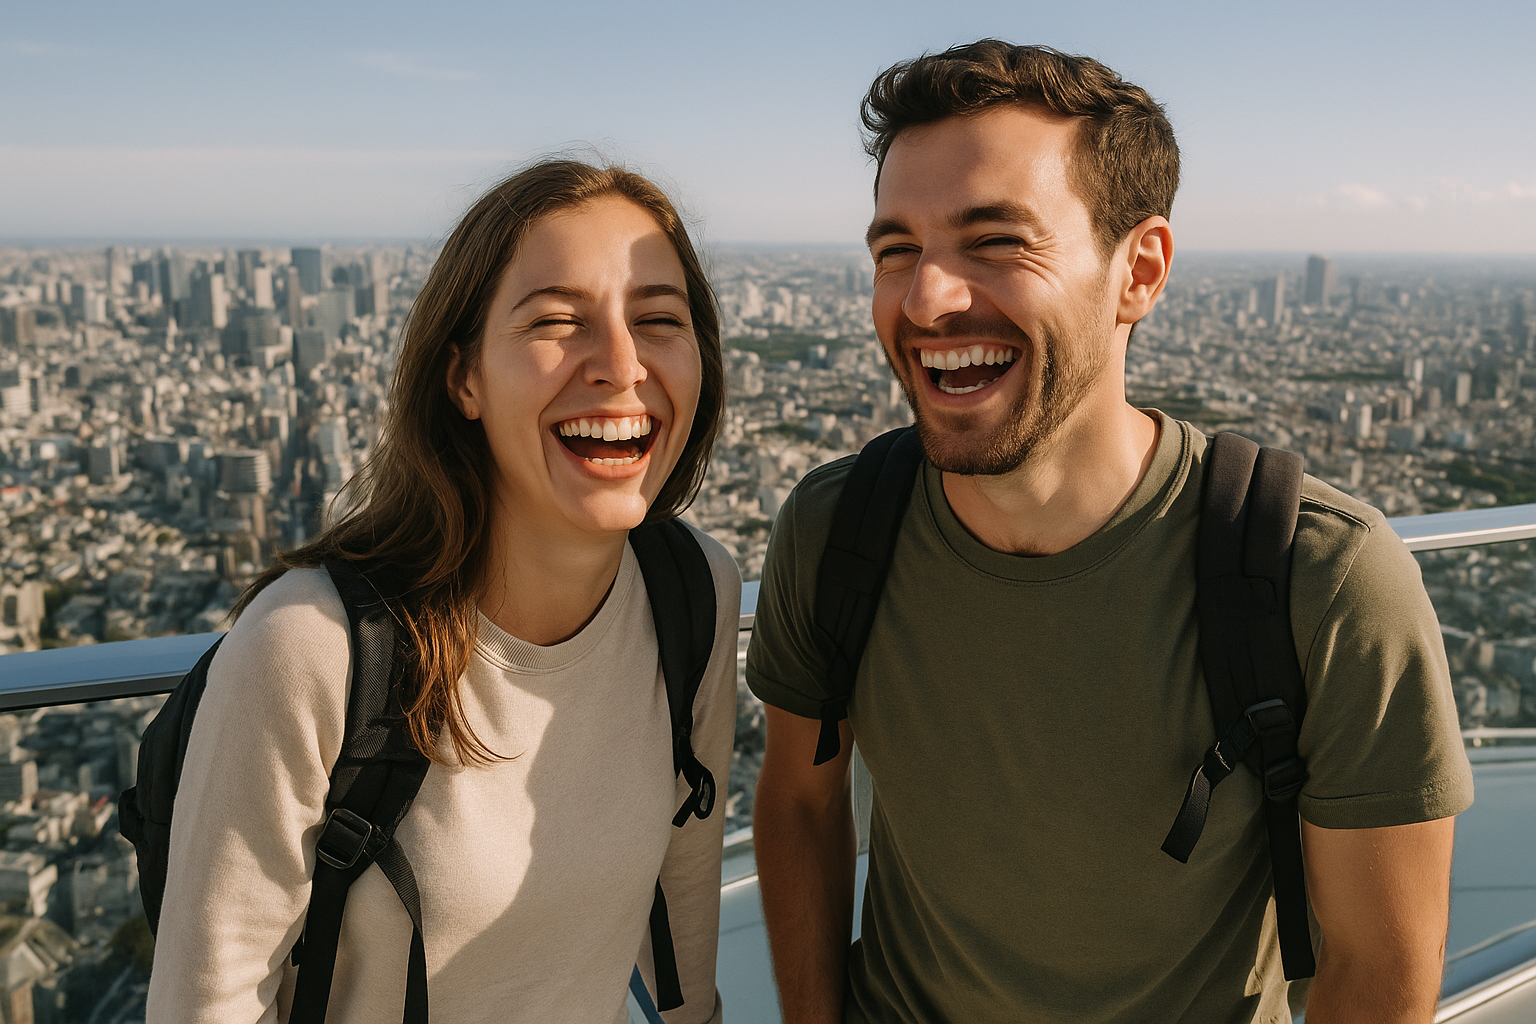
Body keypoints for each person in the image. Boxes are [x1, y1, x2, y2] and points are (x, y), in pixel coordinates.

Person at [747, 40, 1472, 1024]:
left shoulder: (1316, 576)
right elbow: (796, 800)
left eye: (996, 241)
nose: (925, 297)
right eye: (895, 249)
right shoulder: (837, 530)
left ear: (1140, 270)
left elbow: (1380, 975)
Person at [146, 160, 738, 1024]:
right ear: (463, 378)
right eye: (557, 322)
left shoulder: (694, 594)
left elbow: (685, 880)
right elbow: (210, 1002)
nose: (620, 363)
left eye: (658, 319)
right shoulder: (314, 648)